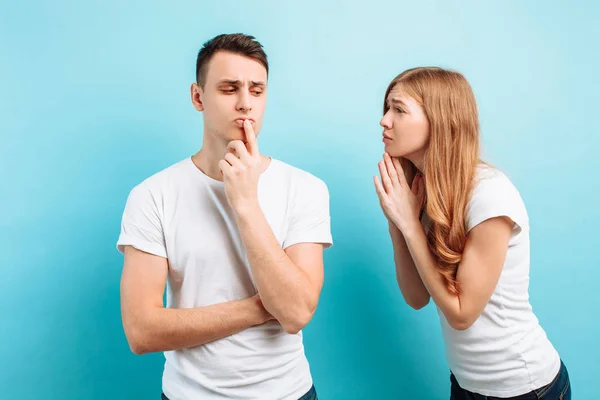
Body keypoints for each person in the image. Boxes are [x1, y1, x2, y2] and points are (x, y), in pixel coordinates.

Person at [117, 33, 332, 400]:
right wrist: (259, 308)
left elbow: (295, 313)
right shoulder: (152, 195)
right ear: (198, 97)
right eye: (229, 89)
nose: (246, 103)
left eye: (257, 90)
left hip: (289, 393)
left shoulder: (305, 188)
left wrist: (245, 202)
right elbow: (142, 331)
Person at [373, 67, 571, 399]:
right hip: (466, 386)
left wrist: (409, 224)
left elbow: (462, 313)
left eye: (399, 109)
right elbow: (417, 298)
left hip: (526, 388)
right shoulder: (423, 193)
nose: (384, 120)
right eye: (386, 108)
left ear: (440, 120)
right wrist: (398, 223)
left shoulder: (490, 195)